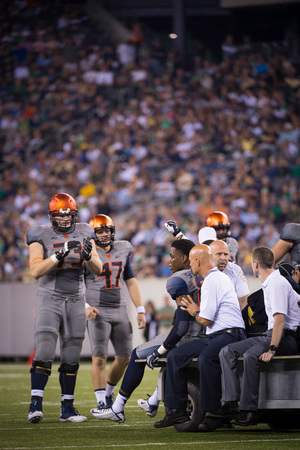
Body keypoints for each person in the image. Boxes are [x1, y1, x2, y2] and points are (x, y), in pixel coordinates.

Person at [92, 239, 204, 423]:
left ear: (185, 259)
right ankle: (152, 402)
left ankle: (117, 408)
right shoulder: (201, 275)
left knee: (137, 354)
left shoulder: (178, 280)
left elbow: (182, 326)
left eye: (172, 256)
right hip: (206, 332)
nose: (169, 261)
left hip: (190, 336)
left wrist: (162, 349)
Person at [27, 193, 103, 424]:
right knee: (45, 351)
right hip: (50, 298)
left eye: (68, 215)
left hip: (76, 299)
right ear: (51, 217)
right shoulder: (39, 234)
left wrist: (89, 256)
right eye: (59, 216)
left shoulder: (85, 231)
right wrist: (58, 255)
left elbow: (98, 269)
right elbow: (35, 271)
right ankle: (35, 405)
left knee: (71, 355)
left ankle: (67, 408)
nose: (64, 219)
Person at [154, 244, 245, 430]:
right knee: (175, 355)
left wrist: (194, 310)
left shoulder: (212, 279)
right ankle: (176, 412)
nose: (190, 268)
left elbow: (204, 320)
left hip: (230, 333)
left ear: (196, 261)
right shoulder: (214, 278)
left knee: (206, 358)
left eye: (191, 262)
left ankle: (215, 412)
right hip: (217, 334)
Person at [215, 247, 300, 428]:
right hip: (271, 334)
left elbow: (279, 320)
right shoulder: (273, 282)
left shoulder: (276, 283)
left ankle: (249, 411)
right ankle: (231, 403)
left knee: (250, 355)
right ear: (273, 263)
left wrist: (272, 349)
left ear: (255, 264)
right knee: (227, 351)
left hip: (285, 337)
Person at [84, 214, 146, 415]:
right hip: (97, 310)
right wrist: (85, 305)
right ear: (92, 234)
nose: (104, 234)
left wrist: (140, 309)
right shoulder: (86, 252)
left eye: (107, 230)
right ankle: (101, 402)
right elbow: (75, 284)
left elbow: (130, 280)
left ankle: (109, 393)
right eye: (100, 231)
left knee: (124, 358)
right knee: (99, 358)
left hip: (118, 308)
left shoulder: (123, 248)